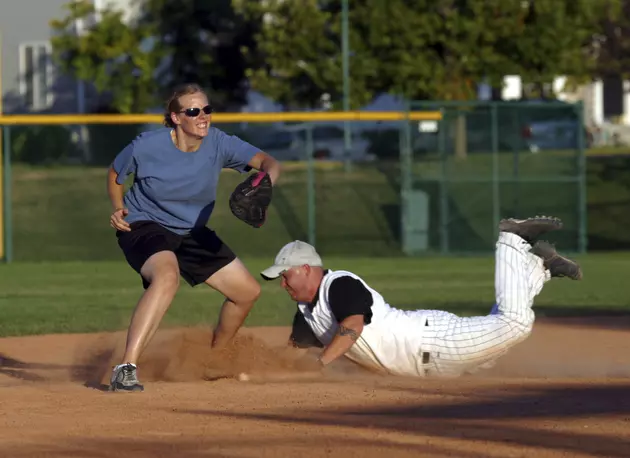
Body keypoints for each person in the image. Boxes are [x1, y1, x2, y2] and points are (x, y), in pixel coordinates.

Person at [107, 83, 281, 392]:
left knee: (247, 292)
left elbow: (270, 162)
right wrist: (119, 207)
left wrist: (265, 182)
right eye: (193, 111)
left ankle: (213, 361)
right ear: (175, 118)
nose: (203, 116)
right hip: (145, 224)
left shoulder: (219, 143)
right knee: (167, 276)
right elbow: (115, 174)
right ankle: (126, 369)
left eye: (207, 109)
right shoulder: (147, 146)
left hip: (191, 231)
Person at [260, 216, 582, 378]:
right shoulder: (306, 311)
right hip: (435, 365)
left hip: (434, 343)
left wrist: (321, 363)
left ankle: (511, 239)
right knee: (502, 327)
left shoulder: (339, 285)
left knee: (514, 323)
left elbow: (353, 326)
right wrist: (264, 367)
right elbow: (295, 353)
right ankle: (540, 267)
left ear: (305, 268)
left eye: (284, 275)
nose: (283, 283)